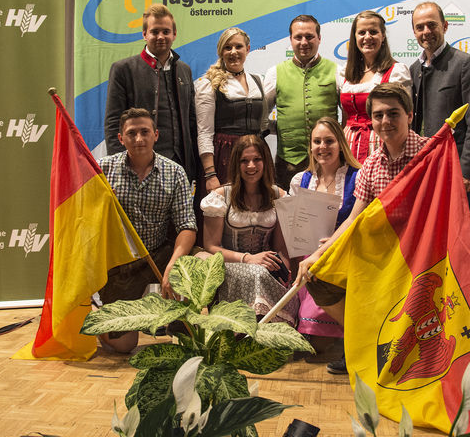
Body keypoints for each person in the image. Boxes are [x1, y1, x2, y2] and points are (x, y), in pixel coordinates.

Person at [296, 83, 429, 374]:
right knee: (318, 276)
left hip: (422, 252)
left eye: (393, 113)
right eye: (378, 115)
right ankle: (366, 342)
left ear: (409, 114)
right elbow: (354, 219)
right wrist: (319, 254)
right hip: (381, 252)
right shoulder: (371, 166)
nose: (385, 122)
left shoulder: (429, 155)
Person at [98, 108, 197, 353]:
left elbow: (187, 225)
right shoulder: (102, 170)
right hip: (119, 262)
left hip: (158, 253)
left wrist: (174, 264)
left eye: (145, 132)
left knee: (199, 262)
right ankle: (105, 315)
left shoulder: (175, 172)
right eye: (132, 133)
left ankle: (179, 324)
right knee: (123, 345)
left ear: (156, 135)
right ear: (121, 138)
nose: (139, 139)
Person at [200, 135, 298, 324]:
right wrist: (248, 258)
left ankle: (270, 334)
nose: (251, 166)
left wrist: (284, 274)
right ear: (236, 164)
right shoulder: (221, 196)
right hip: (229, 266)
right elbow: (210, 247)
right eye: (244, 161)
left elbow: (280, 247)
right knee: (257, 274)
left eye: (256, 160)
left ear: (266, 161)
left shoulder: (279, 195)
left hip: (265, 266)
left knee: (277, 281)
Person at [289, 117, 361, 358]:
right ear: (310, 146)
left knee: (321, 346)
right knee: (315, 347)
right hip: (310, 257)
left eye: (329, 141)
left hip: (347, 256)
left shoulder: (357, 178)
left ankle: (351, 339)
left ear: (341, 144)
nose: (323, 147)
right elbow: (296, 230)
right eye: (317, 141)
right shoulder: (301, 180)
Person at [104, 3, 199, 183]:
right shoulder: (123, 69)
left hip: (181, 166)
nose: (161, 36)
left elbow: (191, 122)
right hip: (138, 166)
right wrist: (119, 168)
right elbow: (113, 123)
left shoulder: (184, 70)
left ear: (174, 34)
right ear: (144, 34)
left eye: (166, 31)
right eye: (155, 32)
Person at [409, 1, 470, 201]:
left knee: (453, 233)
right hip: (422, 170)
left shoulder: (465, 63)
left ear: (444, 26)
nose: (426, 31)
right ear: (414, 32)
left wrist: (467, 171)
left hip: (455, 170)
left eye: (432, 25)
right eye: (420, 27)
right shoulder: (414, 70)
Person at [264, 14, 340, 189]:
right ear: (290, 40)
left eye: (309, 36)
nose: (304, 42)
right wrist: (281, 128)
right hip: (288, 164)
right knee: (287, 214)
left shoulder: (336, 71)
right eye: (298, 37)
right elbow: (260, 118)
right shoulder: (275, 73)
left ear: (319, 38)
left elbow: (349, 116)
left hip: (328, 161)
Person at [195, 27, 268, 194]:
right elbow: (205, 132)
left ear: (247, 49)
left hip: (256, 154)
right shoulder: (209, 84)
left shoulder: (257, 81)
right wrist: (210, 173)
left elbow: (263, 123)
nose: (233, 52)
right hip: (225, 155)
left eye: (238, 47)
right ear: (221, 51)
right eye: (228, 47)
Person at [339, 10, 412, 164]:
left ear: (383, 36)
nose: (367, 37)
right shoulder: (346, 73)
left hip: (381, 146)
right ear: (355, 37)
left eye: (373, 32)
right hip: (348, 148)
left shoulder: (396, 71)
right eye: (362, 32)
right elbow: (345, 118)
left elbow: (404, 119)